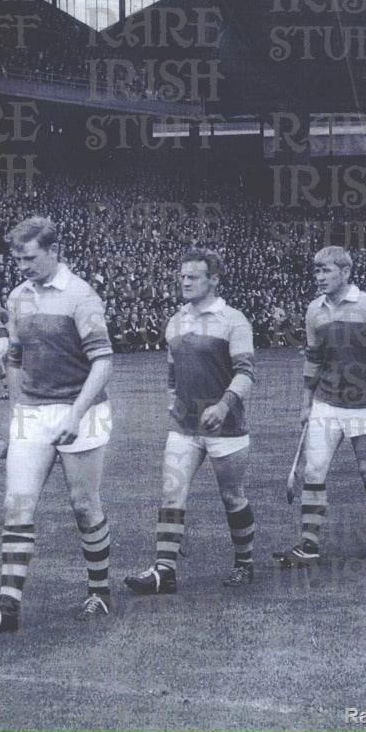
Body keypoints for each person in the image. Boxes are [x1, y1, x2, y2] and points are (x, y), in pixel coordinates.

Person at [0, 216, 114, 635]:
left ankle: (99, 593)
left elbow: (103, 361)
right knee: (17, 504)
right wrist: (17, 421)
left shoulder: (81, 296)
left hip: (82, 408)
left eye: (29, 258)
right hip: (32, 410)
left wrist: (76, 414)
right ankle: (8, 606)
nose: (23, 266)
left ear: (52, 251)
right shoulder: (16, 298)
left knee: (84, 505)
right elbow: (13, 358)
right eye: (17, 259)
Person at [124, 249, 256, 595]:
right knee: (171, 493)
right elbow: (171, 370)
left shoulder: (233, 319)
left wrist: (224, 406)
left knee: (232, 496)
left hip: (225, 427)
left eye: (193, 277)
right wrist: (172, 400)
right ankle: (164, 571)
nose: (184, 282)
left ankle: (244, 563)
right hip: (185, 427)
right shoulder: (176, 320)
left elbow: (245, 373)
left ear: (213, 279)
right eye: (181, 276)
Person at [274, 246, 366, 564]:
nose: (319, 277)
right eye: (316, 271)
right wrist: (306, 403)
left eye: (326, 270)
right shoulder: (315, 310)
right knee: (314, 471)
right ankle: (309, 544)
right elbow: (313, 359)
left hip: (363, 405)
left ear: (345, 272)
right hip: (326, 402)